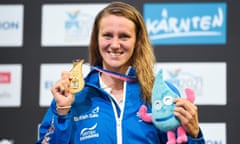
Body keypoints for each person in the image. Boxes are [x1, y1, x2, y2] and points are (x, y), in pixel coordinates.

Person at [36, 1, 205, 144]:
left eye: (124, 36)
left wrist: (194, 135)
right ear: (97, 40)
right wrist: (62, 112)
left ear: (137, 41)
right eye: (107, 35)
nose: (115, 44)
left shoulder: (159, 93)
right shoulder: (74, 96)